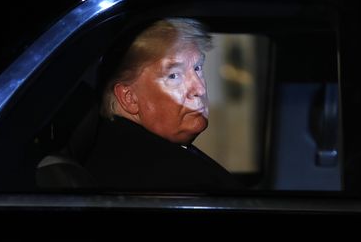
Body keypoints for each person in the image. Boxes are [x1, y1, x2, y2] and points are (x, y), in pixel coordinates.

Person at [83, 18, 242, 193]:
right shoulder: (176, 181)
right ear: (130, 98)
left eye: (197, 68)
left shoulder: (127, 150)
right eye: (174, 76)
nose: (199, 88)